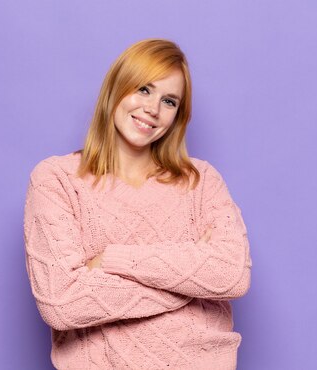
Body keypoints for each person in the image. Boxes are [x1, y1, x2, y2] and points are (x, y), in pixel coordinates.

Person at [23, 38, 252, 369]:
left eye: (169, 101)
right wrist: (191, 280)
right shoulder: (56, 179)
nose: (153, 109)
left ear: (179, 115)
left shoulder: (201, 180)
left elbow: (232, 275)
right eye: (144, 89)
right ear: (117, 87)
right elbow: (61, 303)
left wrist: (111, 260)